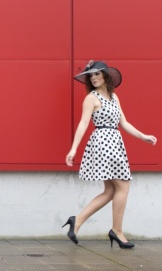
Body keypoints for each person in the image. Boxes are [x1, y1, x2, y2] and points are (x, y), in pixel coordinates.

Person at [62, 60, 156, 249]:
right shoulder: (91, 98)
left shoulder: (114, 97)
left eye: (97, 74)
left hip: (115, 142)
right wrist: (73, 149)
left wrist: (143, 136)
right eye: (91, 75)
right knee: (123, 186)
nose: (93, 78)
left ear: (106, 75)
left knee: (111, 191)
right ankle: (117, 231)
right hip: (104, 143)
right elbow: (83, 123)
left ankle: (77, 221)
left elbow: (124, 122)